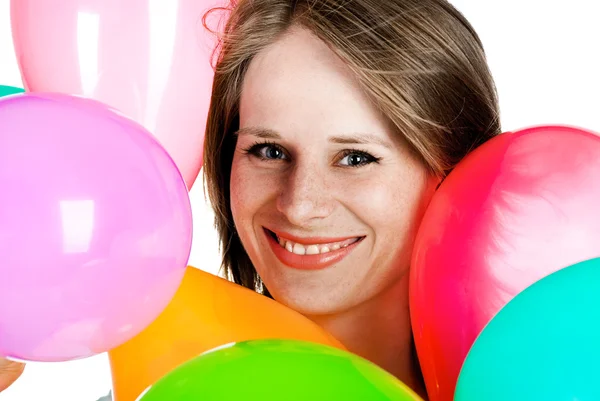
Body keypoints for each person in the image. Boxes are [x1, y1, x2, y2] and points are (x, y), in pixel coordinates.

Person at [0, 0, 500, 399]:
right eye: (269, 150)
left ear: (453, 168)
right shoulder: (171, 389)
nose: (300, 204)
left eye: (354, 158)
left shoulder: (549, 380)